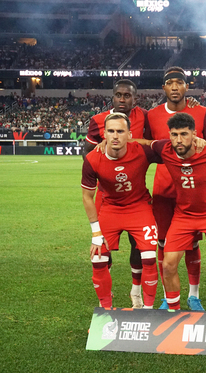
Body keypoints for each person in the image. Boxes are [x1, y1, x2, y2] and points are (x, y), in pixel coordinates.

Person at [146, 113, 206, 311]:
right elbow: (145, 142)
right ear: (169, 135)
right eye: (175, 134)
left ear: (194, 134)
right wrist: (117, 139)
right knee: (168, 265)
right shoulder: (164, 149)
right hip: (183, 217)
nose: (179, 139)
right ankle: (173, 310)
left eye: (184, 134)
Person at [146, 67, 206, 310]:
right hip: (164, 190)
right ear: (163, 88)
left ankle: (193, 296)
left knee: (193, 244)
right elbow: (146, 147)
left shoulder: (201, 112)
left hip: (193, 191)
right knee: (163, 244)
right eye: (169, 83)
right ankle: (168, 296)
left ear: (187, 87)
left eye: (179, 83)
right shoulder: (152, 115)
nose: (174, 87)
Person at [83, 79, 150, 308]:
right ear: (113, 97)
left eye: (127, 95)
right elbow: (87, 152)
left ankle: (137, 293)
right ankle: (106, 299)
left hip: (135, 196)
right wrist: (104, 167)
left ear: (134, 97)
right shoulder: (97, 120)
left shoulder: (145, 116)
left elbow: (151, 145)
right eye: (119, 95)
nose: (123, 99)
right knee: (102, 249)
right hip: (107, 195)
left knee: (139, 246)